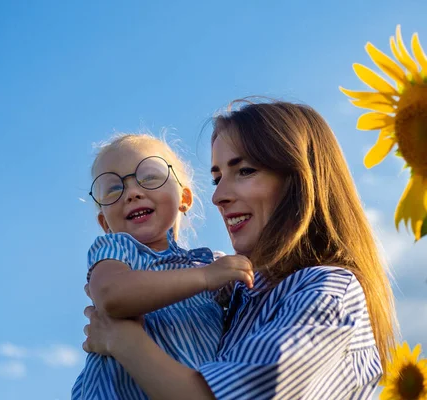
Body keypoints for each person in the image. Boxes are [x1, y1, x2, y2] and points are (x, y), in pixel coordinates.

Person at [81, 100, 398, 399]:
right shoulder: (236, 294)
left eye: (244, 171)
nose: (218, 196)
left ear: (300, 180)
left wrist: (120, 339)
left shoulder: (327, 291)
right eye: (217, 177)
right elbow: (115, 293)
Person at [71, 134, 255, 400]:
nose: (132, 193)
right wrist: (205, 277)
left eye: (150, 176)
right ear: (105, 223)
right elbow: (112, 295)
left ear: (185, 197)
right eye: (112, 189)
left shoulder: (211, 263)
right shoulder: (118, 251)